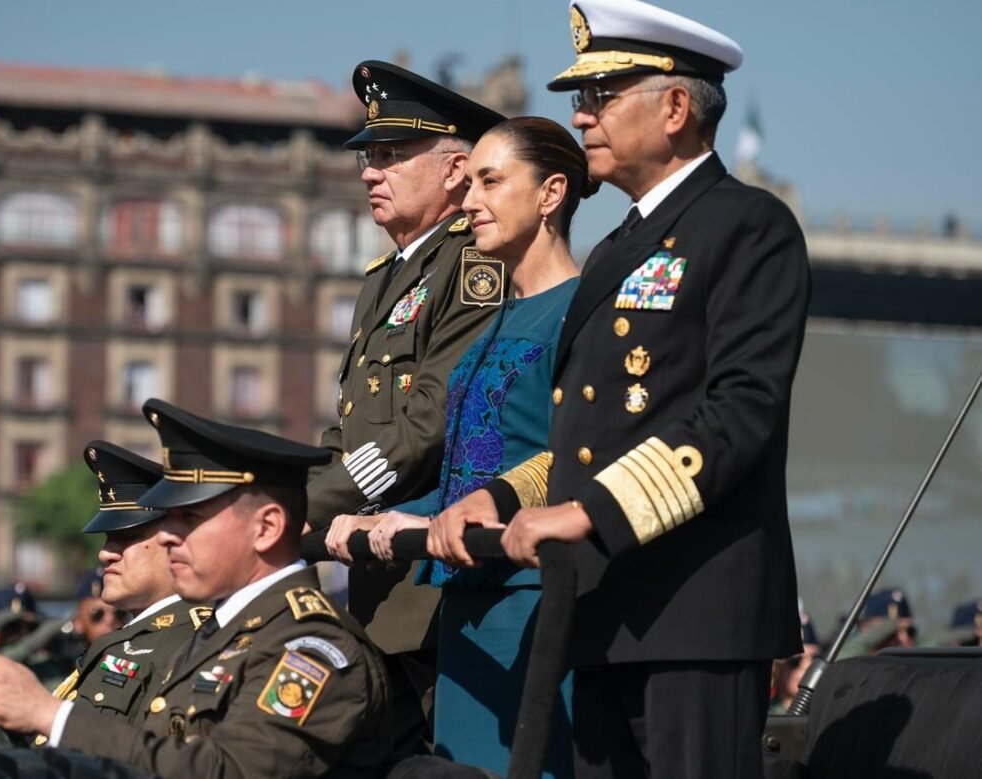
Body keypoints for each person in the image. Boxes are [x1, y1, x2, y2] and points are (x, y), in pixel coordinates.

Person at [439, 1, 812, 776]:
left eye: (600, 97)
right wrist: (504, 498)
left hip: (696, 614)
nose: (579, 117)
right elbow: (588, 431)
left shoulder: (748, 225)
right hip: (603, 607)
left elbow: (739, 413)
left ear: (675, 106)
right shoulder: (616, 251)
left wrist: (588, 512)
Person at [326, 115, 593, 776]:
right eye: (468, 182)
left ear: (551, 194)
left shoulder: (583, 311)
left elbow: (573, 456)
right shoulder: (495, 319)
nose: (470, 200)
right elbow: (467, 464)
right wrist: (399, 518)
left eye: (491, 181)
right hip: (465, 602)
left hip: (537, 598)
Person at [0, 400, 392, 777]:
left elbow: (227, 771)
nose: (166, 537)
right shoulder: (224, 632)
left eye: (190, 519)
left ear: (267, 527)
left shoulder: (312, 648)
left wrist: (50, 714)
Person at [304, 58, 505, 758]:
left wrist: (311, 502)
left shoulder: (475, 264)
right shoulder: (385, 277)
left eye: (390, 156)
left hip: (435, 576)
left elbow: (430, 420)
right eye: (368, 157)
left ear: (454, 171)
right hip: (378, 579)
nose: (369, 172)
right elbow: (352, 422)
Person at [0, 441, 202, 743]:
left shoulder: (193, 644)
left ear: (176, 543)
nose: (105, 554)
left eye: (126, 537)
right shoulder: (138, 638)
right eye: (108, 539)